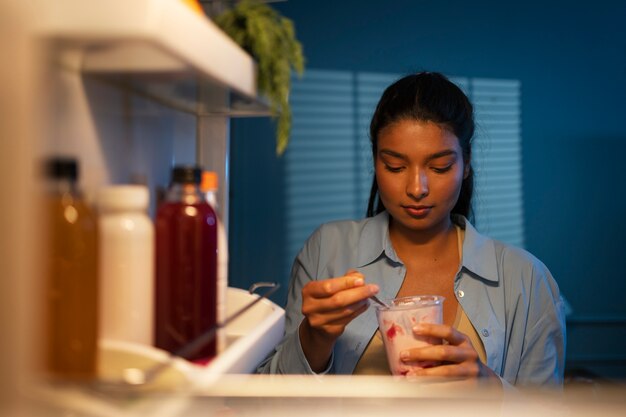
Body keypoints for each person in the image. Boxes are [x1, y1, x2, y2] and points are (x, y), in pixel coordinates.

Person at [257, 71, 566, 387]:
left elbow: (547, 407)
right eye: (395, 166)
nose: (417, 188)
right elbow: (270, 394)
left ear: (467, 163)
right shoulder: (328, 250)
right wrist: (313, 337)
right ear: (376, 162)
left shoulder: (526, 280)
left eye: (440, 167)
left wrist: (488, 386)